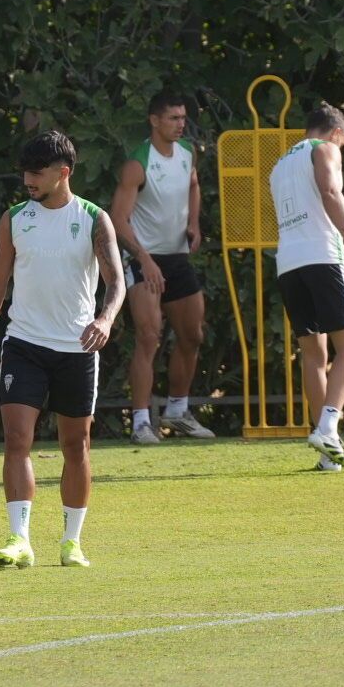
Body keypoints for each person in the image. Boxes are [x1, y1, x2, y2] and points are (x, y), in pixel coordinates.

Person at [0, 131, 125, 569]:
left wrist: (105, 320)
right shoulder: (15, 219)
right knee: (16, 439)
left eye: (37, 173)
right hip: (24, 345)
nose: (28, 181)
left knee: (76, 445)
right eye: (25, 172)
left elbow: (116, 281)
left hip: (77, 349)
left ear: (63, 172)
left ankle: (72, 541)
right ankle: (19, 538)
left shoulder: (94, 218)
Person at [268, 102, 344, 471]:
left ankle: (328, 453)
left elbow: (311, 205)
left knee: (313, 355)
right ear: (337, 133)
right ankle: (328, 427)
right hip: (324, 257)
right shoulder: (326, 149)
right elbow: (329, 192)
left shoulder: (280, 165)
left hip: (289, 264)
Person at [108, 92, 214, 444]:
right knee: (149, 336)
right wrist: (144, 259)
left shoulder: (186, 153)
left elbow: (193, 185)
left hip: (177, 257)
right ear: (155, 121)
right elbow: (117, 219)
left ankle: (177, 411)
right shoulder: (138, 164)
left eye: (183, 118)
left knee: (193, 335)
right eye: (173, 118)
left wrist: (194, 223)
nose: (181, 124)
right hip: (143, 258)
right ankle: (141, 422)